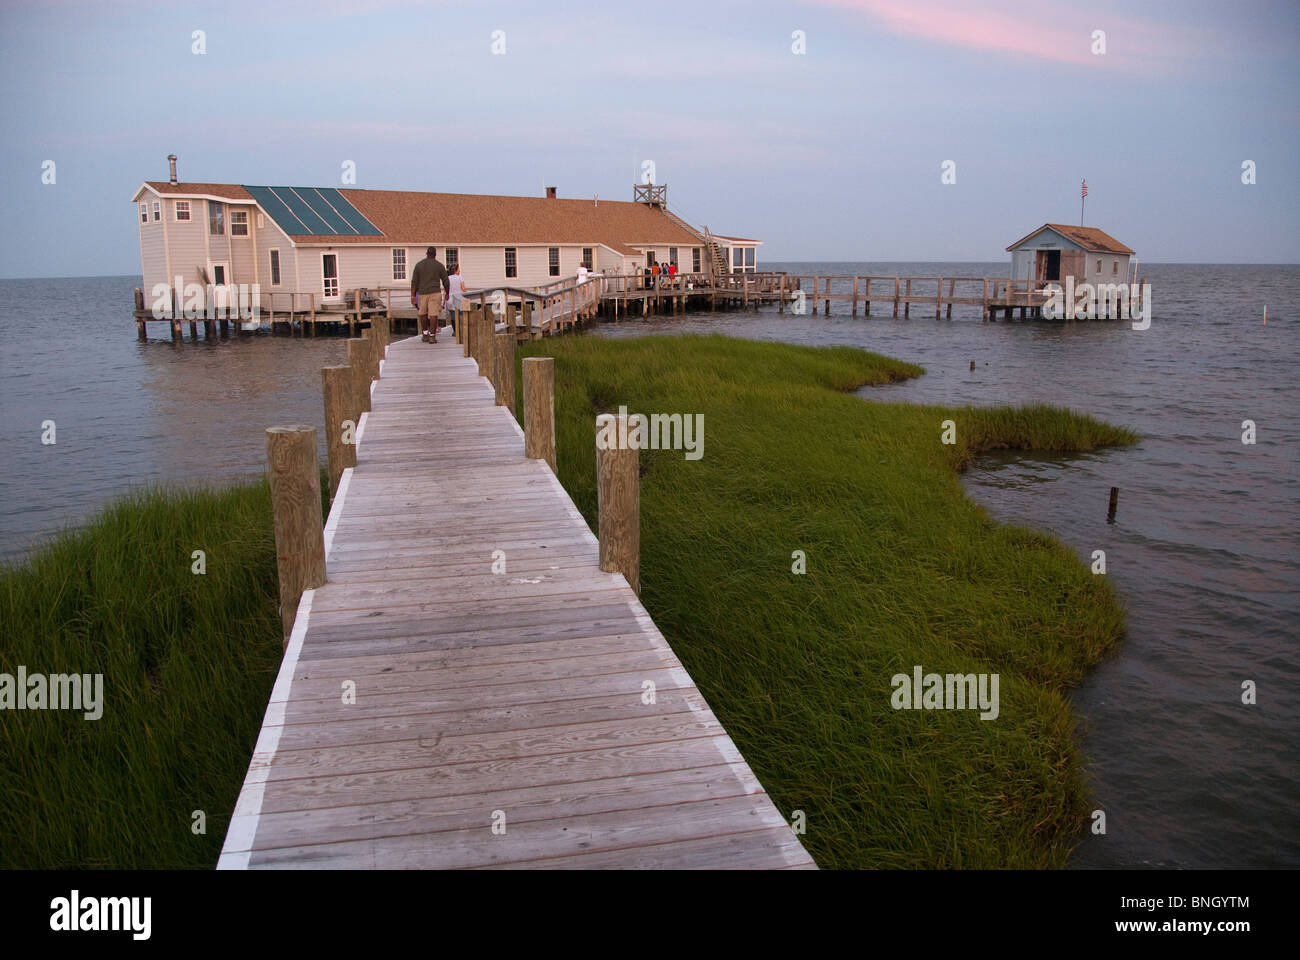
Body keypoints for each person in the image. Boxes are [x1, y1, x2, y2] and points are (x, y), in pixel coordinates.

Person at [410, 246, 449, 343]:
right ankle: (432, 336)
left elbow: (414, 282)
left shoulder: (419, 265)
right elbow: (446, 281)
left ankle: (425, 334)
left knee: (422, 313)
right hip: (435, 292)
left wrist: (413, 295)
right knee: (433, 314)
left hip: (422, 292)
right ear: (435, 254)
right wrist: (447, 293)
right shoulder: (439, 265)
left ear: (427, 253)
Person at [445, 262, 467, 336]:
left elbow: (446, 290)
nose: (459, 270)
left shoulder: (447, 278)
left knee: (453, 315)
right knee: (461, 315)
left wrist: (443, 302)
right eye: (459, 269)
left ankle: (455, 331)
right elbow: (463, 288)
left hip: (450, 298)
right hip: (459, 297)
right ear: (456, 270)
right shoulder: (460, 277)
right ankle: (460, 330)